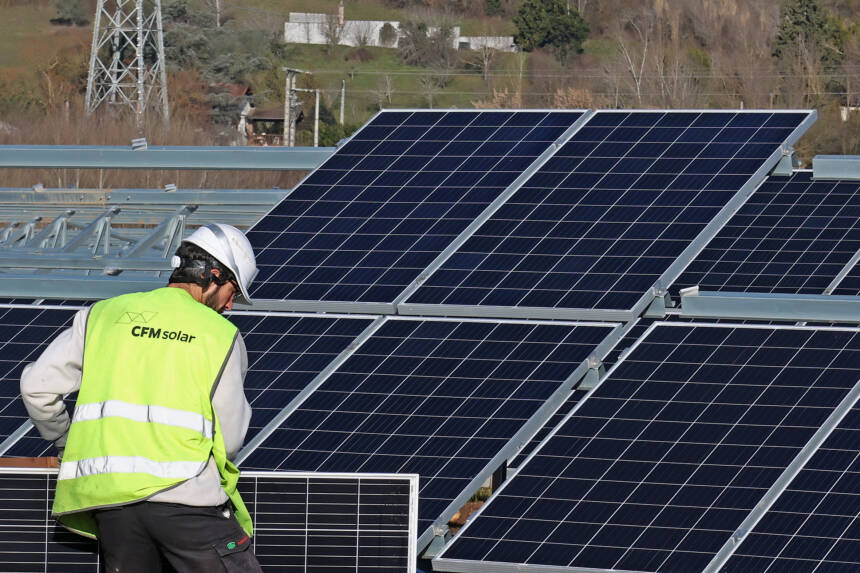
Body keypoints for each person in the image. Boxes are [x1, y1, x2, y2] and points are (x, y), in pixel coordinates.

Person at [20, 223, 263, 572]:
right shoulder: (220, 335)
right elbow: (230, 436)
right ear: (213, 275)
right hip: (187, 499)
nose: (230, 305)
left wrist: (65, 441)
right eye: (233, 292)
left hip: (112, 504)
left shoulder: (100, 316)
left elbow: (36, 388)